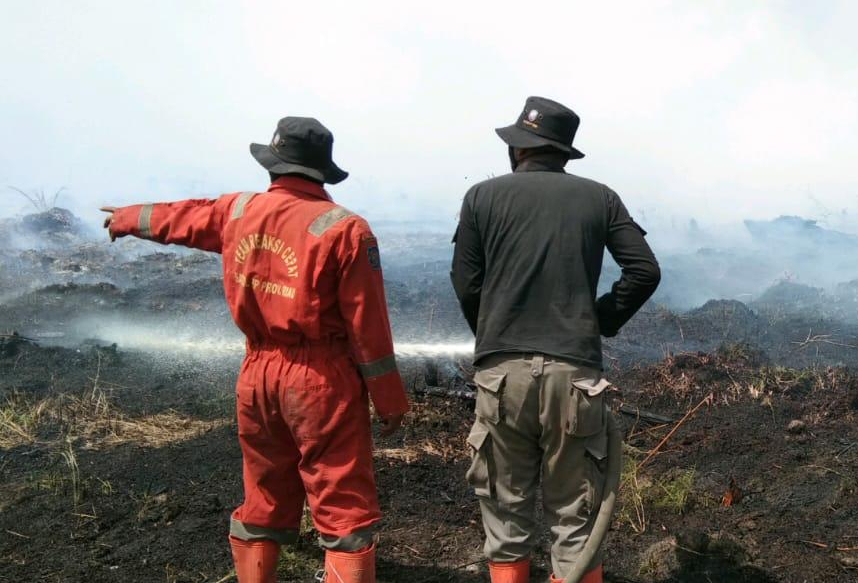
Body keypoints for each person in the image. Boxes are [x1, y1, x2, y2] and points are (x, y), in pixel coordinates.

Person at [101, 117, 409, 583]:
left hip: (256, 377)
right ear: (322, 171)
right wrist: (389, 402)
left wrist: (126, 218)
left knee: (264, 494)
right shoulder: (346, 229)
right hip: (320, 381)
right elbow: (368, 328)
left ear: (272, 165)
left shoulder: (238, 211)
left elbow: (183, 217)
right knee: (343, 503)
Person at [451, 97, 660, 583]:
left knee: (505, 517)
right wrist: (602, 317)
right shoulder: (600, 197)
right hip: (575, 378)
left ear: (518, 149)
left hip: (502, 377)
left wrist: (492, 335)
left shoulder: (480, 198)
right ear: (564, 153)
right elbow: (644, 270)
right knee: (575, 520)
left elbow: (466, 282)